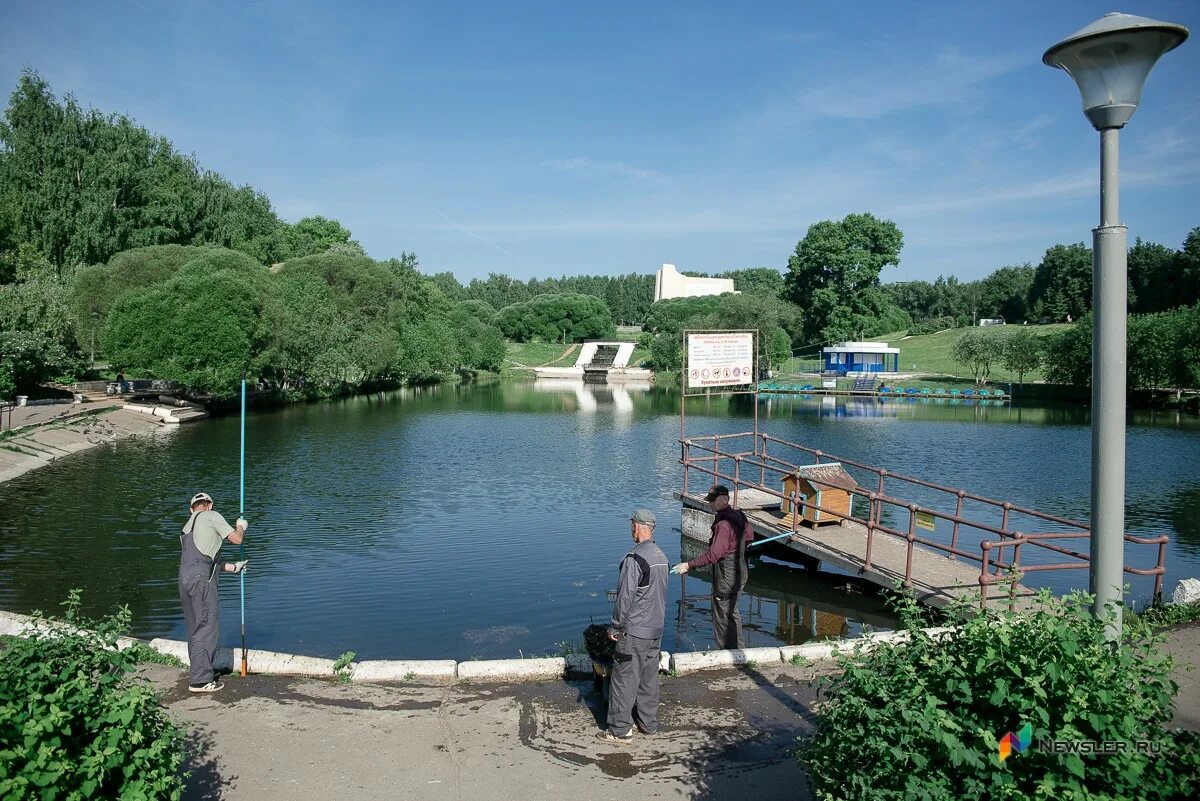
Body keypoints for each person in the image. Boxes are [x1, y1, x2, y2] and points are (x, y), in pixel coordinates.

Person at [599, 508, 669, 744]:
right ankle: (648, 723)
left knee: (624, 678)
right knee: (649, 678)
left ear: (637, 527)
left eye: (632, 525)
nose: (631, 529)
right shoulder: (662, 557)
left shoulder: (634, 559)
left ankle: (620, 730)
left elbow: (624, 597)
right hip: (656, 630)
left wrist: (614, 627)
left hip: (635, 631)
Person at [179, 491, 249, 693]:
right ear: (209, 505)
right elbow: (236, 539)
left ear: (191, 509)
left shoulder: (186, 528)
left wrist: (233, 567)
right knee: (207, 625)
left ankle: (197, 672)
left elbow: (202, 560)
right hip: (202, 582)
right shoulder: (213, 516)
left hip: (183, 579)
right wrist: (240, 527)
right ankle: (200, 681)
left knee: (194, 628)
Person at [671, 485, 753, 649]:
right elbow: (749, 536)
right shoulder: (739, 515)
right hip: (741, 572)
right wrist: (736, 548)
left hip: (726, 578)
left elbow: (713, 555)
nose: (710, 504)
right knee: (732, 613)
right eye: (709, 500)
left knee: (722, 615)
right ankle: (739, 651)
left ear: (724, 499)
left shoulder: (723, 525)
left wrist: (688, 565)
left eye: (713, 500)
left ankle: (726, 654)